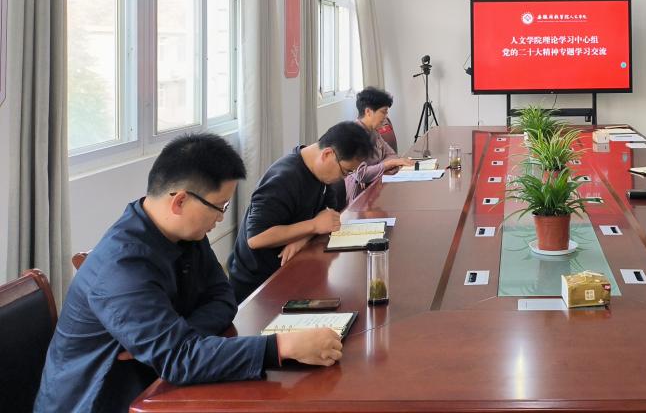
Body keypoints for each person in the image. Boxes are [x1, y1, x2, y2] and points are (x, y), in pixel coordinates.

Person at [34, 133, 343, 413]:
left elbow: (224, 298)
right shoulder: (122, 265)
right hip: (102, 399)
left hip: (153, 380)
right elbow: (179, 360)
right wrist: (282, 347)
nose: (220, 219)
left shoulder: (185, 234)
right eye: (220, 206)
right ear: (180, 200)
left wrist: (180, 335)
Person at [228, 121, 372, 302]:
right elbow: (256, 238)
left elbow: (328, 218)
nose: (344, 177)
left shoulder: (320, 173)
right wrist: (313, 226)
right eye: (345, 171)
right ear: (327, 154)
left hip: (293, 266)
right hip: (259, 285)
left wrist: (302, 238)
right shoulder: (284, 179)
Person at [347, 86, 414, 202]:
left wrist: (375, 169)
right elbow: (361, 175)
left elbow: (392, 154)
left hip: (375, 187)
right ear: (368, 111)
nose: (385, 117)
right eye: (383, 112)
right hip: (360, 196)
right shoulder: (352, 136)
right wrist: (390, 163)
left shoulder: (373, 131)